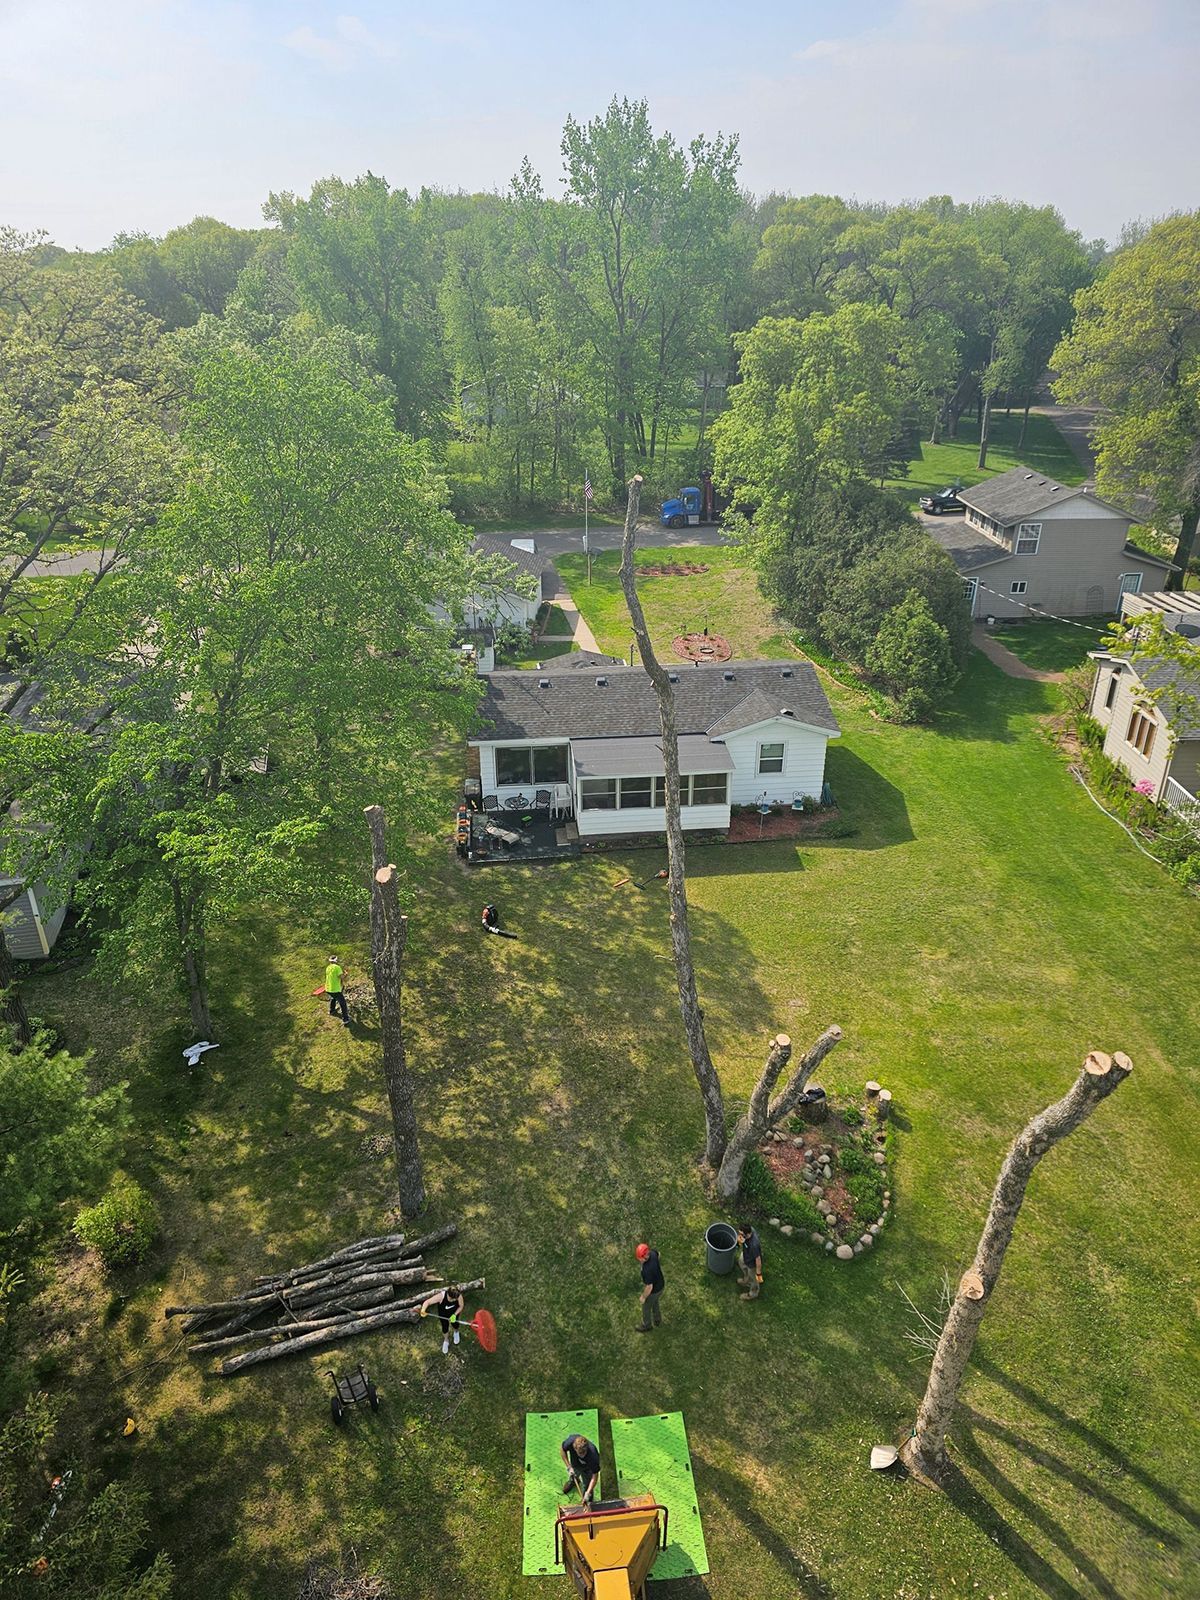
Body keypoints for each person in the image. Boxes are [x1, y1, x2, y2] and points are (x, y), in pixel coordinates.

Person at [420, 1284, 465, 1355]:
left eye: (455, 1299)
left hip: (454, 1314)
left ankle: (456, 1333)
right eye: (452, 1299)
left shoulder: (458, 1295)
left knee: (455, 1325)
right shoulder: (441, 1296)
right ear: (448, 1295)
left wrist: (454, 1315)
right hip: (443, 1315)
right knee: (445, 1327)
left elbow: (461, 1306)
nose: (454, 1300)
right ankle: (446, 1340)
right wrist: (423, 1309)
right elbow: (427, 1302)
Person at [560, 1434, 600, 1506]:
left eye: (584, 1452)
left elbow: (595, 1476)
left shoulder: (593, 1455)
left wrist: (588, 1492)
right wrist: (569, 1467)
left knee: (587, 1485)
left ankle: (588, 1500)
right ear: (574, 1448)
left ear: (587, 1448)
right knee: (573, 1474)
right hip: (575, 1464)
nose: (582, 1455)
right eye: (580, 1453)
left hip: (588, 1468)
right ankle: (574, 1482)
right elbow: (562, 1450)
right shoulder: (570, 1442)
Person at [635, 1242, 664, 1332]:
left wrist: (643, 1297)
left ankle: (646, 1325)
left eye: (640, 1258)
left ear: (644, 1257)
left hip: (654, 1290)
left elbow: (649, 1287)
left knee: (646, 1307)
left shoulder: (647, 1270)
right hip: (661, 1285)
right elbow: (659, 1254)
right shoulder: (652, 1253)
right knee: (655, 1301)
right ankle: (657, 1319)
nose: (639, 1260)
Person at [737, 1222, 763, 1300]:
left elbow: (758, 1260)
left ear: (748, 1235)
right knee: (741, 1262)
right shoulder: (749, 1231)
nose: (740, 1235)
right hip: (746, 1255)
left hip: (753, 1264)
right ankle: (746, 1281)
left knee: (754, 1279)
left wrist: (758, 1274)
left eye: (742, 1234)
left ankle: (753, 1294)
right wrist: (740, 1241)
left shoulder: (754, 1245)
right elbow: (742, 1241)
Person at [325, 956, 348, 1025]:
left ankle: (332, 1011)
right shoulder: (337, 967)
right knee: (343, 1003)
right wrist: (346, 974)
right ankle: (345, 1019)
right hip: (335, 989)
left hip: (328, 988)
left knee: (333, 998)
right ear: (336, 961)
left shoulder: (328, 967)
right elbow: (341, 977)